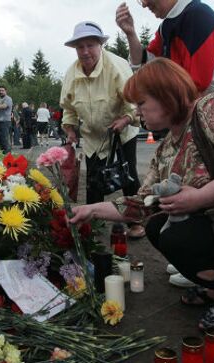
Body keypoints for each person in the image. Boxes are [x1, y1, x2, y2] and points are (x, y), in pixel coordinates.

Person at [70, 58, 214, 329]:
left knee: (177, 236)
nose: (137, 113)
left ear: (165, 96)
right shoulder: (168, 146)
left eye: (141, 103)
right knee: (157, 225)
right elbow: (142, 203)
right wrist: (91, 209)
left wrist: (198, 198)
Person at [60, 21, 144, 237]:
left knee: (128, 175)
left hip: (121, 131)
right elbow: (68, 108)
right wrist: (70, 130)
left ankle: (135, 222)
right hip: (92, 136)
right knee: (94, 178)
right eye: (80, 47)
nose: (85, 51)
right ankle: (92, 223)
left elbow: (134, 101)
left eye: (90, 45)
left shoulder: (116, 66)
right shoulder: (71, 73)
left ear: (100, 45)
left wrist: (126, 119)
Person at [115, 0, 214, 108]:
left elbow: (197, 81)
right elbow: (144, 64)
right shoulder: (167, 26)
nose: (145, 4)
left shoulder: (197, 14)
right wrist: (130, 33)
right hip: (208, 103)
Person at [0, 86, 13, 153]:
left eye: (2, 90)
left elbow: (4, 106)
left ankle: (7, 155)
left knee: (4, 139)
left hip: (5, 122)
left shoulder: (8, 98)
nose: (0, 92)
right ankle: (1, 155)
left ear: (5, 91)